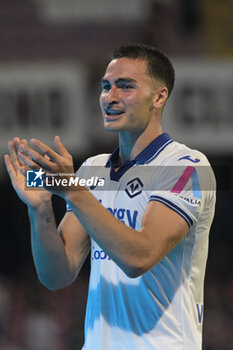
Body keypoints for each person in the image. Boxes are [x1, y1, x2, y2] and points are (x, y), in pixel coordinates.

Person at [4, 44, 216, 350]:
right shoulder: (94, 170)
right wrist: (40, 210)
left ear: (159, 96)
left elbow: (139, 257)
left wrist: (73, 190)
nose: (111, 97)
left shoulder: (187, 168)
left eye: (126, 86)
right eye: (106, 87)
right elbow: (57, 275)